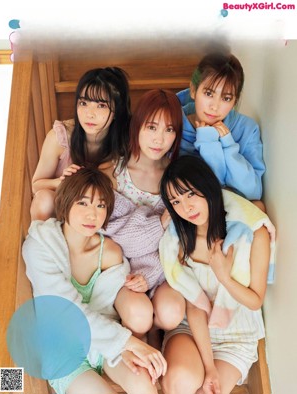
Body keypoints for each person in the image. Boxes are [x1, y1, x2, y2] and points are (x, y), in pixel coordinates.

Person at [22, 167, 166, 394]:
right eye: (83, 203)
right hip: (64, 350)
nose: (93, 214)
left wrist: (124, 346)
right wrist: (129, 342)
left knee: (144, 385)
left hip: (104, 344)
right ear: (65, 202)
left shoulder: (108, 251)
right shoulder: (40, 245)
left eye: (101, 205)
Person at [158, 155, 273, 394]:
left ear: (208, 186)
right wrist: (208, 367)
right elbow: (194, 305)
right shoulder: (178, 240)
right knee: (180, 382)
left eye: (190, 194)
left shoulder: (251, 233)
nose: (186, 207)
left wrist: (224, 277)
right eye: (176, 201)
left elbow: (255, 301)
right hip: (192, 327)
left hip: (236, 334)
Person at [99, 89, 184, 339]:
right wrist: (159, 222)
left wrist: (150, 275)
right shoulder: (113, 174)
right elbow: (113, 237)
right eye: (152, 127)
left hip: (160, 271)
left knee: (172, 312)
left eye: (169, 130)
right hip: (122, 273)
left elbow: (176, 243)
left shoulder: (178, 178)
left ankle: (155, 331)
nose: (159, 139)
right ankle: (140, 334)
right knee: (139, 315)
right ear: (137, 126)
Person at [30, 67, 131, 221]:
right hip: (64, 211)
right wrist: (62, 182)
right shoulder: (60, 137)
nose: (89, 114)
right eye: (83, 103)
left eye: (101, 105)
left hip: (100, 216)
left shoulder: (127, 140)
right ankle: (44, 243)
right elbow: (36, 186)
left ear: (117, 110)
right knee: (43, 199)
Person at [177, 51, 265, 201]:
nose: (215, 106)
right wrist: (208, 141)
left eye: (226, 98)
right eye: (209, 94)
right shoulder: (172, 123)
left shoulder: (247, 129)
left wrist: (229, 146)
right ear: (193, 90)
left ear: (235, 101)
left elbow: (253, 192)